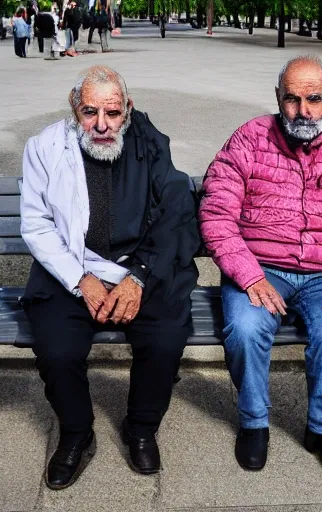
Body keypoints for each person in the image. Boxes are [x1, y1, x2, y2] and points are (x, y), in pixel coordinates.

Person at [199, 55, 322, 479]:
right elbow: (216, 216)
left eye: (314, 99)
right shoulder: (248, 141)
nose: (303, 111)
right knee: (246, 330)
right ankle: (253, 422)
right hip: (261, 268)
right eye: (292, 99)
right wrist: (247, 274)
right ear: (278, 98)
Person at [21, 66, 200, 490]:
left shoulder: (151, 144)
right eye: (89, 112)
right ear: (73, 105)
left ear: (128, 110)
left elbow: (177, 210)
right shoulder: (44, 146)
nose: (101, 125)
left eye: (113, 113)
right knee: (57, 350)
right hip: (70, 267)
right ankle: (77, 433)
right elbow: (36, 223)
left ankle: (141, 426)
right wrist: (79, 279)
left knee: (165, 339)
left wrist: (137, 278)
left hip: (139, 267)